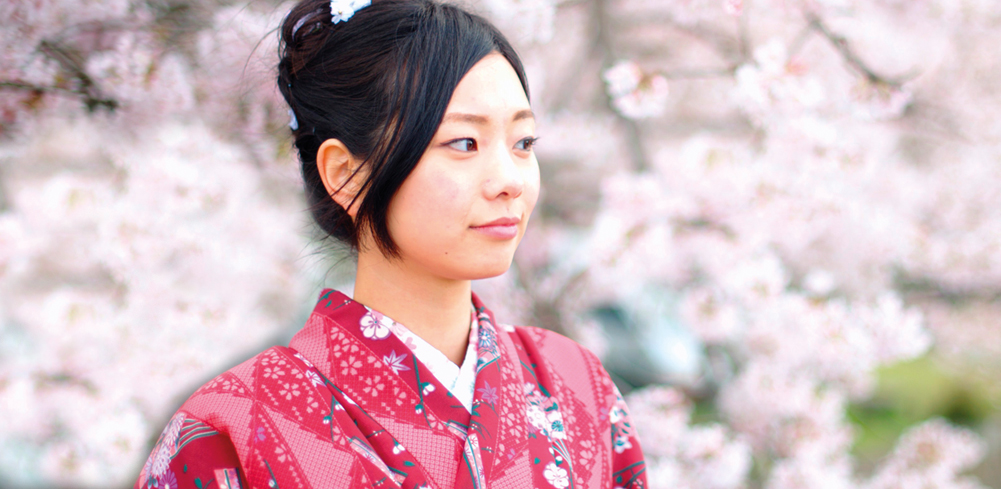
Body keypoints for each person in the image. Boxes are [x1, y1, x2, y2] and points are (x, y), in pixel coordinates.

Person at [135, 1, 647, 487]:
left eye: (523, 143)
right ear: (346, 174)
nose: (510, 180)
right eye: (464, 143)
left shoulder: (578, 385)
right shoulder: (230, 427)